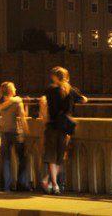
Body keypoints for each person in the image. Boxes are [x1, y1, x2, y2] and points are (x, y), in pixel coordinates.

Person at [39, 66, 87, 195]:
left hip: (52, 126)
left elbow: (43, 101)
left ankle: (53, 185)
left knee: (51, 157)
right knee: (60, 157)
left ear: (54, 77)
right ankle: (49, 182)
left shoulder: (50, 90)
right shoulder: (71, 90)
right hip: (64, 127)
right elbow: (84, 99)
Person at [0, 82, 29, 192]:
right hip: (16, 132)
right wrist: (26, 131)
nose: (15, 88)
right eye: (14, 87)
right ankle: (22, 184)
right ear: (11, 90)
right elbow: (22, 117)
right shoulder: (17, 101)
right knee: (22, 158)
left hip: (3, 132)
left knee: (6, 160)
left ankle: (6, 186)